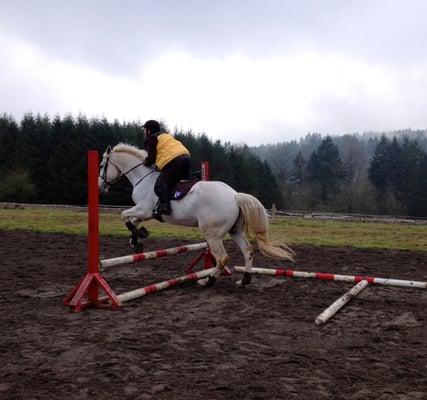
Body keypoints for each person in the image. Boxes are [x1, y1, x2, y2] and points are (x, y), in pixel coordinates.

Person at [143, 120, 191, 219]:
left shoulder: (152, 138)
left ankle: (166, 207)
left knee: (159, 185)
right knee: (176, 184)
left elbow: (151, 158)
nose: (144, 132)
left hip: (174, 160)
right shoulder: (166, 136)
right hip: (186, 157)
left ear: (148, 131)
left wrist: (145, 162)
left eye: (145, 130)